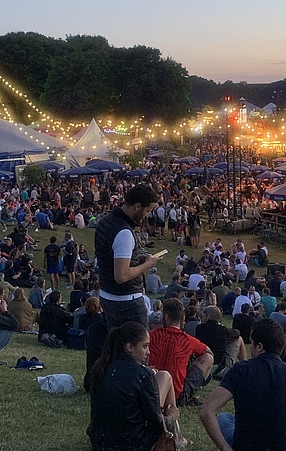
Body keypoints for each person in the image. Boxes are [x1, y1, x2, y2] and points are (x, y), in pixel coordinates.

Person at [200, 318, 286, 451]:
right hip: (283, 447)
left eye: (251, 343)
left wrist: (225, 447)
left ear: (259, 346)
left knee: (224, 417)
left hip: (244, 446)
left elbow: (207, 411)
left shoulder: (240, 370)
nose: (250, 348)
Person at [86, 321, 180, 451]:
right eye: (145, 346)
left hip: (100, 444)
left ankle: (176, 438)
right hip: (132, 445)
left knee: (164, 376)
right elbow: (156, 424)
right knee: (165, 377)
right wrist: (171, 417)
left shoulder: (101, 368)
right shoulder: (142, 375)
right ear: (129, 347)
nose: (148, 352)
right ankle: (174, 439)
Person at [95, 184, 161, 328]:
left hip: (107, 294)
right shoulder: (124, 232)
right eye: (147, 210)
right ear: (138, 206)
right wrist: (147, 264)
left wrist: (137, 260)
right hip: (126, 301)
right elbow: (121, 276)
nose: (147, 215)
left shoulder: (106, 221)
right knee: (138, 342)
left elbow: (109, 256)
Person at [148, 298, 214, 406]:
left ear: (165, 317)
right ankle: (193, 392)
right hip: (177, 396)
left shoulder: (152, 335)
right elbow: (209, 352)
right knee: (208, 358)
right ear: (182, 318)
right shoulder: (187, 340)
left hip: (153, 390)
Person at [196, 306, 245, 379]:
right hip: (220, 367)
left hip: (203, 364)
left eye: (203, 316)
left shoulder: (199, 328)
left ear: (207, 316)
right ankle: (244, 365)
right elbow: (237, 333)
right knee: (239, 339)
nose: (202, 319)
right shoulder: (224, 331)